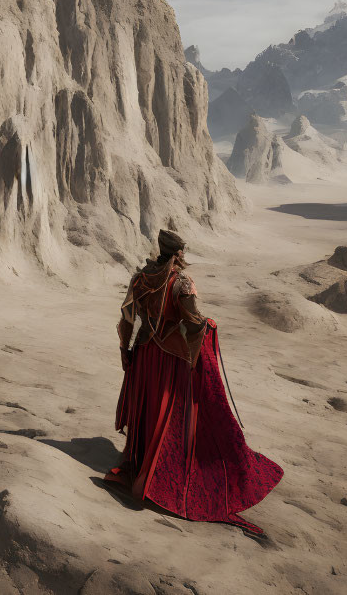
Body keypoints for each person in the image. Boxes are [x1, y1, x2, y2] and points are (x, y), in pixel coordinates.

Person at [104, 229, 282, 535]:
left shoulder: (140, 277)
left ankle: (139, 464)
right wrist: (208, 326)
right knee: (169, 413)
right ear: (178, 255)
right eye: (182, 253)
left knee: (148, 410)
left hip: (145, 354)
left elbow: (126, 320)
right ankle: (157, 475)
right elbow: (193, 321)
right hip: (170, 359)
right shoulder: (181, 284)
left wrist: (125, 350)